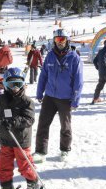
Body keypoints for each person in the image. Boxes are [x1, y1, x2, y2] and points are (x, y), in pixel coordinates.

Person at [0, 67, 40, 189]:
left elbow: (29, 119)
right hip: (6, 138)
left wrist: (12, 122)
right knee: (3, 165)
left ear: (23, 84)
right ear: (5, 84)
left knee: (25, 165)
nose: (16, 87)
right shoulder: (2, 99)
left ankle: (33, 186)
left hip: (21, 140)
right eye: (12, 84)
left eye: (19, 83)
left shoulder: (27, 101)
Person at [33, 29, 83, 163]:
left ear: (67, 40)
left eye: (62, 39)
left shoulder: (74, 58)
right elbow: (43, 75)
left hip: (65, 98)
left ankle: (65, 150)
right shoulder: (50, 56)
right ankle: (40, 151)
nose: (59, 42)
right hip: (49, 97)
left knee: (65, 126)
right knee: (43, 124)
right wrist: (39, 92)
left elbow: (78, 81)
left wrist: (75, 100)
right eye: (57, 40)